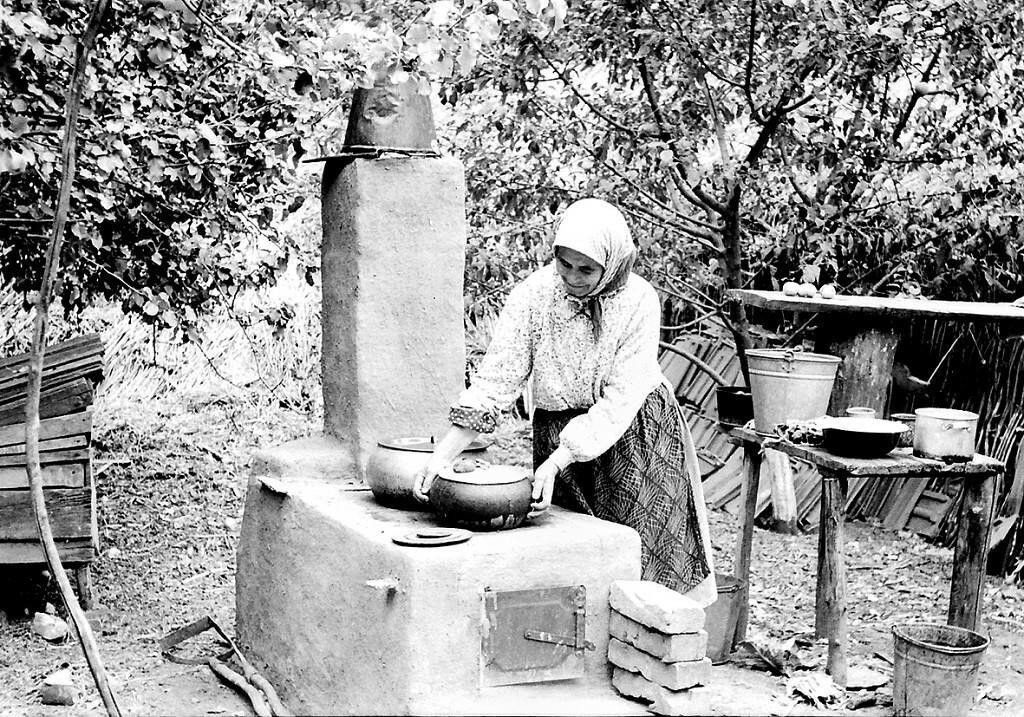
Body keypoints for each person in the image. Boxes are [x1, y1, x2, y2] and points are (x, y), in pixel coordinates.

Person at [413, 198, 716, 606]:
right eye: (564, 264)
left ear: (611, 265)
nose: (572, 278)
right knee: (578, 562)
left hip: (633, 432)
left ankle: (651, 660)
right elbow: (495, 382)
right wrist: (441, 457)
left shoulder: (638, 301)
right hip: (557, 432)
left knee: (642, 559)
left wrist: (559, 460)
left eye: (586, 269)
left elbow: (620, 398)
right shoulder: (534, 296)